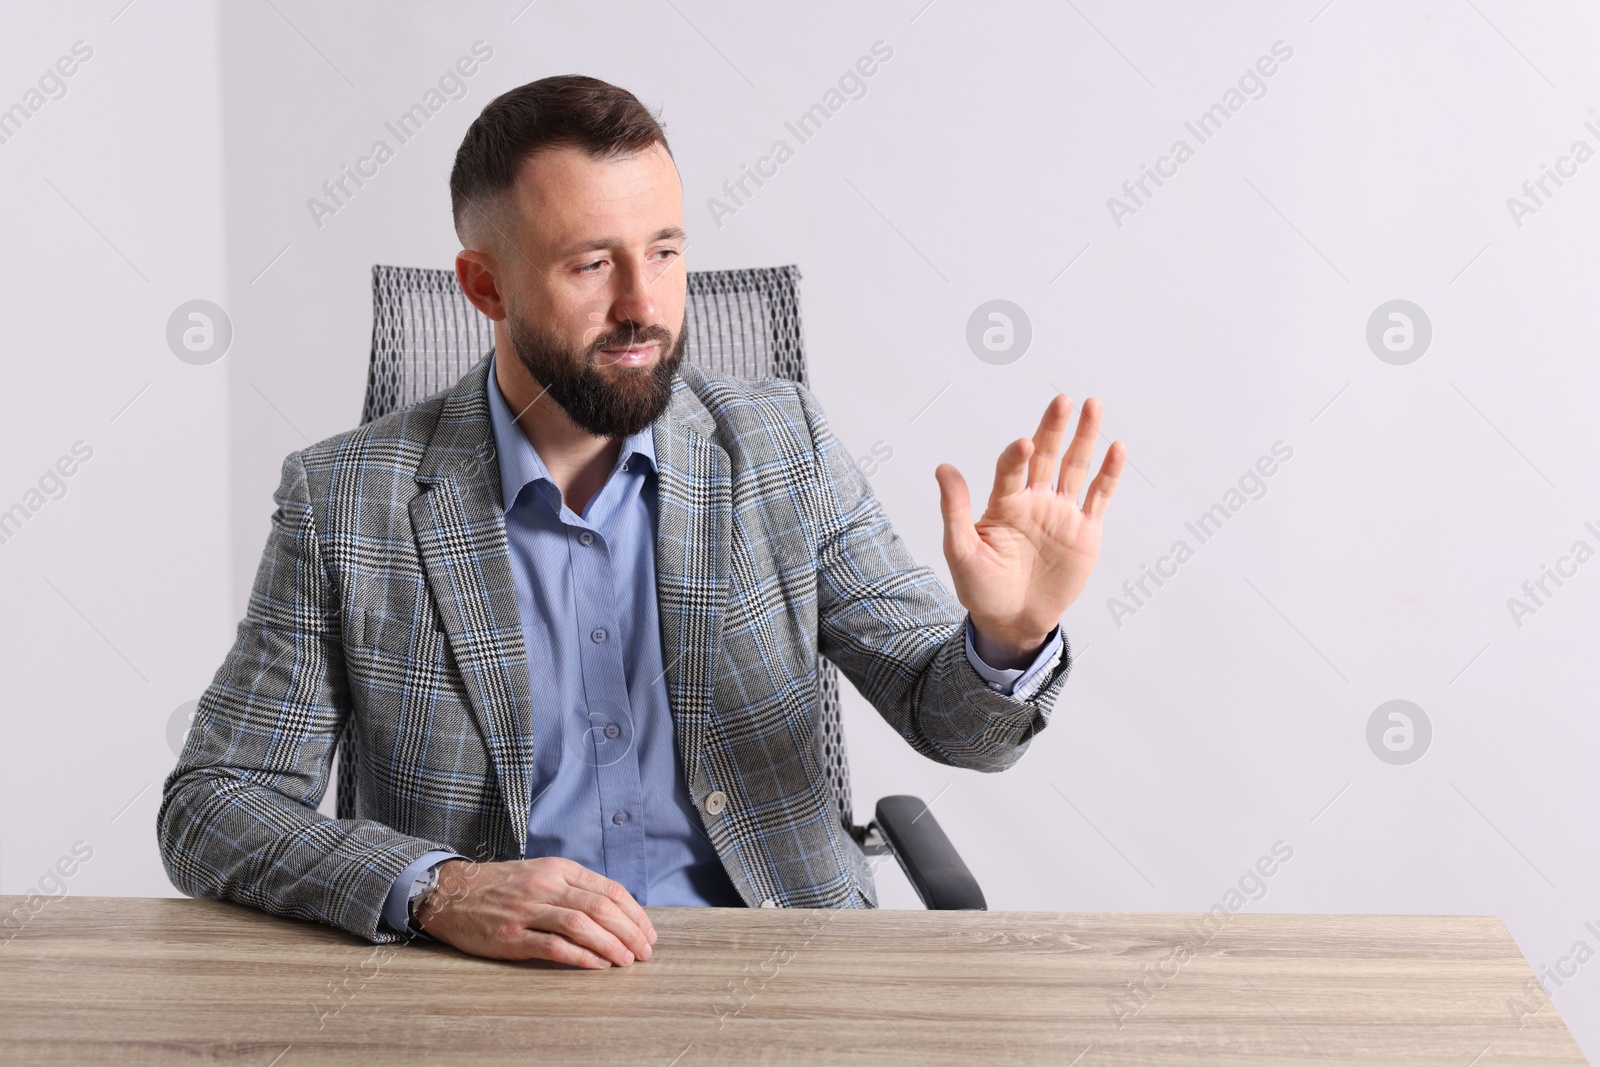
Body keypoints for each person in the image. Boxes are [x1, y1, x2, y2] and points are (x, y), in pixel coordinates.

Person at [158, 75, 1126, 970]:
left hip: (777, 976)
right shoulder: (344, 500)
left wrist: (1006, 637)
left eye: (665, 251)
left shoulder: (782, 448)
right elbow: (213, 804)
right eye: (591, 264)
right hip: (485, 988)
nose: (643, 304)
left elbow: (953, 722)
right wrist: (440, 890)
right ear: (484, 286)